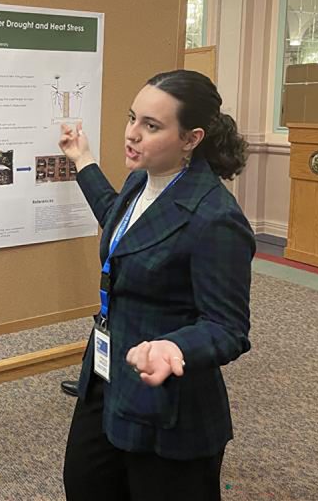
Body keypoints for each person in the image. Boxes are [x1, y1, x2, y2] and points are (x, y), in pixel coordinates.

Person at [59, 69, 253, 501]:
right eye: (133, 118)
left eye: (151, 126)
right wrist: (83, 160)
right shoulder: (141, 181)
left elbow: (228, 328)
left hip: (167, 402)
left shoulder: (215, 218)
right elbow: (120, 222)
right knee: (85, 484)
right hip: (106, 376)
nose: (132, 134)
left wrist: (176, 347)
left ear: (191, 138)